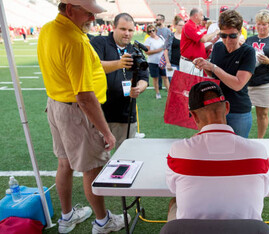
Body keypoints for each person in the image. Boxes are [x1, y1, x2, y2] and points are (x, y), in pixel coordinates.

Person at [37, 1, 127, 233]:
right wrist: (106, 131)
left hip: (57, 105)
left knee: (65, 163)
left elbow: (90, 68)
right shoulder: (75, 40)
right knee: (93, 168)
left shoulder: (50, 29)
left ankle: (67, 217)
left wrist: (117, 64)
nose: (93, 18)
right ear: (70, 9)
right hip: (77, 111)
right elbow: (85, 96)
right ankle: (102, 221)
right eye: (88, 13)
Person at [166, 81, 269, 221]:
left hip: (194, 231)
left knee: (174, 201)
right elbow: (264, 191)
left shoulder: (178, 151)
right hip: (245, 230)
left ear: (194, 116)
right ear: (227, 107)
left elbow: (173, 189)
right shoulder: (259, 152)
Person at [193, 10, 256, 138]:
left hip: (238, 111)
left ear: (240, 32)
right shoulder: (218, 47)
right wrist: (205, 66)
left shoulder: (248, 52)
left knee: (238, 153)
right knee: (217, 151)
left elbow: (238, 84)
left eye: (232, 36)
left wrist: (214, 67)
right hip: (216, 109)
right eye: (223, 35)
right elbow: (214, 77)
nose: (228, 40)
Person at [90, 13, 149, 150]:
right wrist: (119, 63)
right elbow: (92, 67)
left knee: (126, 157)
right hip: (100, 113)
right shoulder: (100, 42)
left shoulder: (135, 50)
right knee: (98, 159)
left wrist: (139, 88)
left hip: (126, 114)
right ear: (113, 27)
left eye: (130, 30)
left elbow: (144, 78)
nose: (127, 33)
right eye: (123, 29)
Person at [246, 9, 269, 138]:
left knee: (262, 113)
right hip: (248, 82)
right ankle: (241, 138)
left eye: (265, 24)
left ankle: (260, 139)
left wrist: (268, 61)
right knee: (242, 112)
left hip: (266, 82)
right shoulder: (249, 40)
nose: (262, 27)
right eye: (259, 24)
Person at [180, 8, 219, 76]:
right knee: (190, 85)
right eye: (201, 15)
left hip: (195, 63)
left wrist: (213, 41)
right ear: (196, 15)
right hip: (189, 63)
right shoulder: (189, 26)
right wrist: (215, 32)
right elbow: (203, 39)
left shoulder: (195, 26)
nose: (203, 17)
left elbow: (199, 44)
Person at [144, 24, 170, 99]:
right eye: (150, 31)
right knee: (155, 78)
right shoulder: (148, 40)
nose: (152, 32)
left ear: (155, 30)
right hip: (153, 62)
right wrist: (158, 50)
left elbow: (165, 48)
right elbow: (147, 52)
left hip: (162, 61)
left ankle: (169, 93)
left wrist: (166, 58)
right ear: (148, 33)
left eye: (153, 30)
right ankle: (157, 93)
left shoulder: (161, 38)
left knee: (165, 77)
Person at [156, 14, 172, 89]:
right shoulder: (155, 30)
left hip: (166, 53)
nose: (156, 21)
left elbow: (169, 41)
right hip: (157, 53)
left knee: (167, 71)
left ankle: (169, 85)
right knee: (158, 69)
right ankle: (159, 86)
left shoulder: (167, 30)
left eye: (158, 20)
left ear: (162, 20)